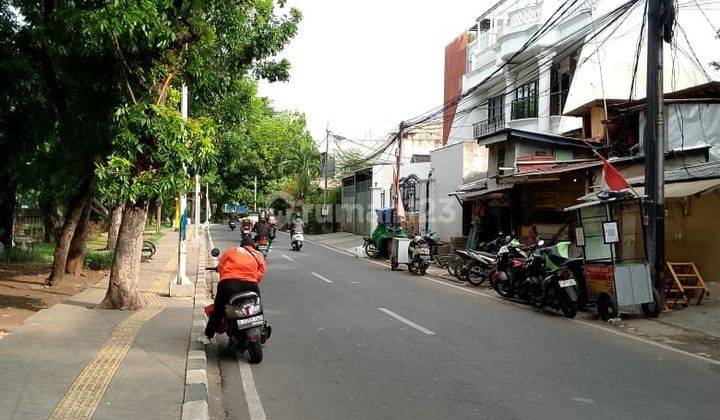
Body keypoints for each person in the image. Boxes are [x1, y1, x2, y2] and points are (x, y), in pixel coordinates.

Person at [198, 236, 266, 344]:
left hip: (229, 284)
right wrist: (251, 278)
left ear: (241, 245)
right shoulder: (258, 255)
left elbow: (221, 266)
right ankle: (261, 326)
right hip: (251, 285)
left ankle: (208, 335)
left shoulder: (231, 251)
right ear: (253, 246)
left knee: (218, 310)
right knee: (257, 306)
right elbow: (261, 273)